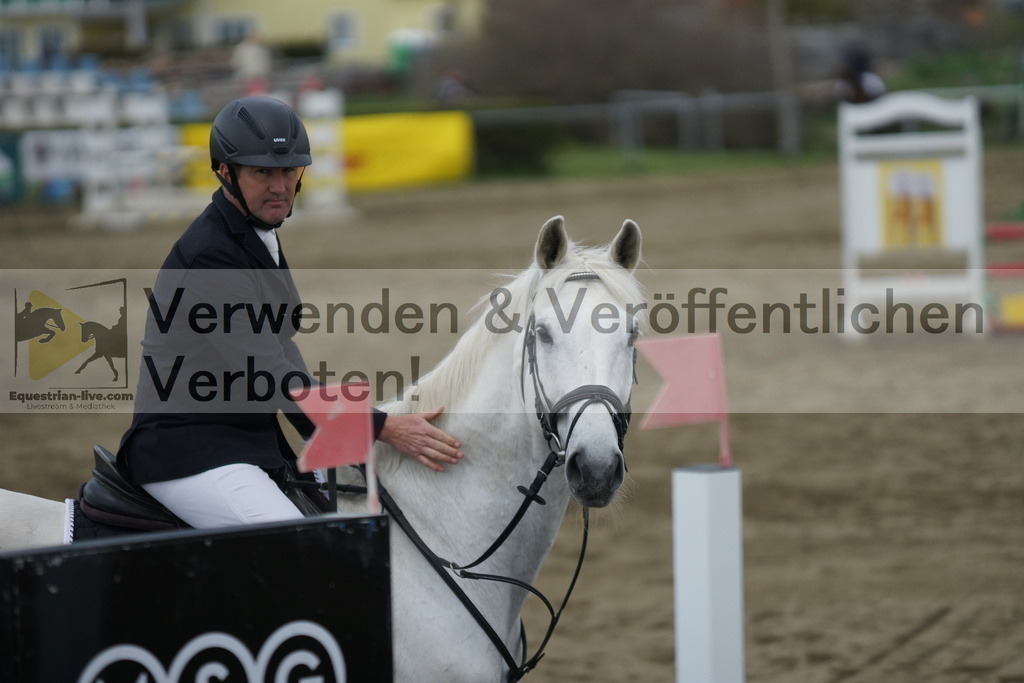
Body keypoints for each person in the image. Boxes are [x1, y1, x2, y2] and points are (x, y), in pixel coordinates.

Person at [116, 96, 463, 529]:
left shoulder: (255, 235)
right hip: (189, 451)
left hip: (246, 442)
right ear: (226, 171)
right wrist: (383, 427)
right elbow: (270, 374)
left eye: (288, 171)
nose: (279, 186)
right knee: (301, 543)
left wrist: (328, 434)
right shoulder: (210, 257)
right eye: (263, 172)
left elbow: (281, 351)